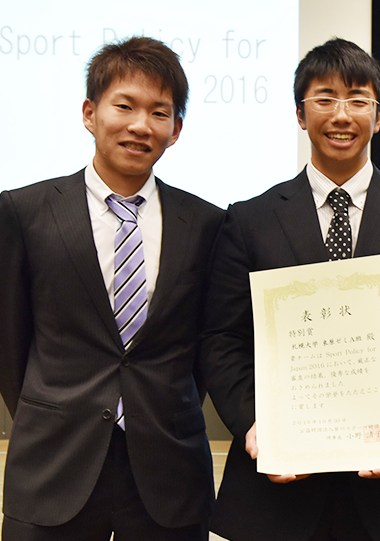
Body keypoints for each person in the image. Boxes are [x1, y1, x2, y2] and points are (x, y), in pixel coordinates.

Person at [201, 38, 380, 541]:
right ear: (301, 115)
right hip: (277, 490)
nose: (341, 114)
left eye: (357, 99)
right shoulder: (250, 220)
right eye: (324, 99)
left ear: (378, 116)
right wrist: (255, 427)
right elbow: (222, 341)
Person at [0, 36, 223, 540]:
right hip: (53, 464)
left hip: (168, 470)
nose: (141, 125)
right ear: (89, 112)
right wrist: (52, 407)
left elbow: (205, 347)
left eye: (159, 112)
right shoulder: (25, 212)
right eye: (124, 105)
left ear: (176, 130)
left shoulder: (206, 224)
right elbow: (10, 342)